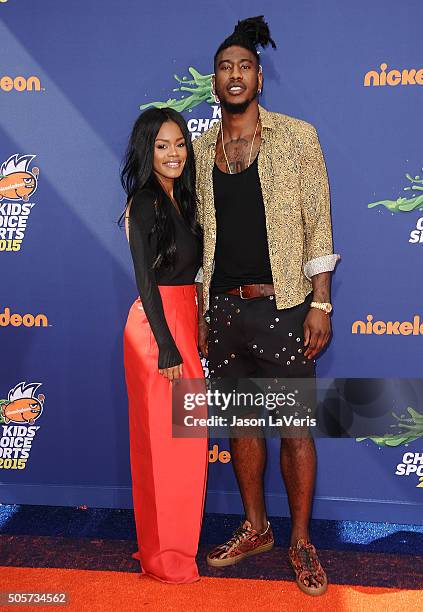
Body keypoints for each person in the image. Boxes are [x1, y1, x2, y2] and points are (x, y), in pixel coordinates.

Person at [193, 16, 339, 596]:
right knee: (242, 426)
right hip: (224, 313)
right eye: (225, 68)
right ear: (215, 83)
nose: (235, 75)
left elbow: (317, 224)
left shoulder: (297, 137)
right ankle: (255, 527)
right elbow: (199, 234)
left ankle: (301, 541)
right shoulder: (201, 148)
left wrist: (321, 302)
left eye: (244, 67)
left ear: (260, 79)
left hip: (284, 307)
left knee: (295, 428)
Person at [121, 107, 208, 584]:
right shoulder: (146, 201)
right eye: (162, 145)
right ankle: (163, 556)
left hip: (182, 320)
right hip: (156, 332)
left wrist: (195, 328)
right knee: (166, 446)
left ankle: (170, 547)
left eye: (179, 144)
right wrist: (168, 347)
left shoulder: (182, 198)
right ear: (146, 149)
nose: (174, 153)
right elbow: (146, 281)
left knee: (185, 444)